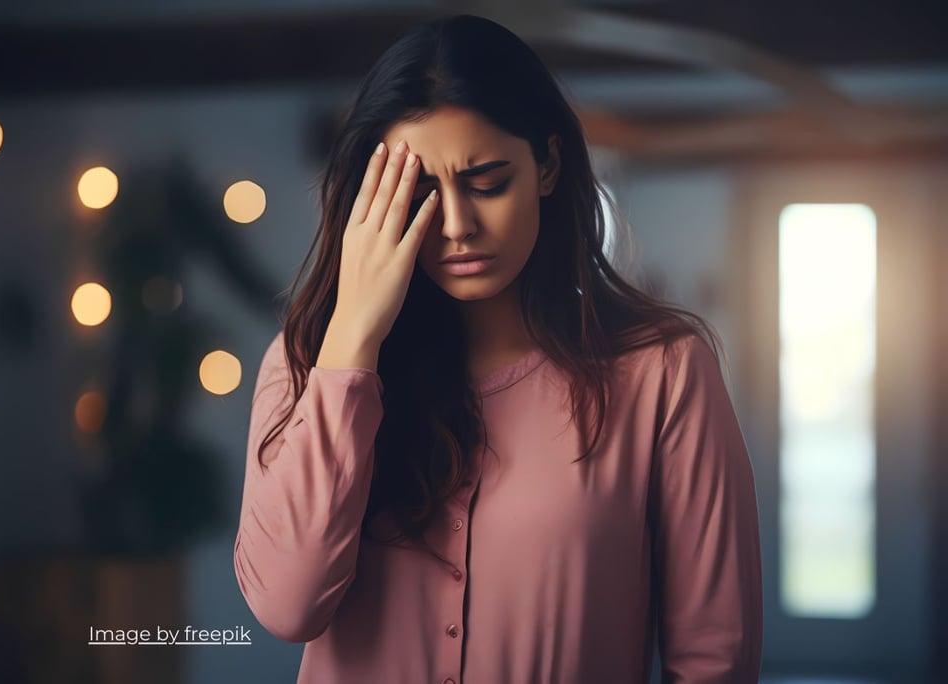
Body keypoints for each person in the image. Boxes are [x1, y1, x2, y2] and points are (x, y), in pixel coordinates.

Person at [234, 13, 762, 684]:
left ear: (547, 165)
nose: (458, 225)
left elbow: (715, 659)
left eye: (487, 183)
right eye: (421, 194)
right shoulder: (306, 364)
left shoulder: (663, 374)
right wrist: (354, 338)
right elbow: (288, 607)